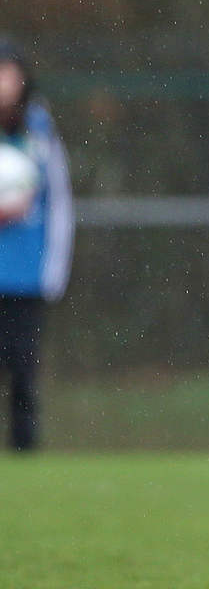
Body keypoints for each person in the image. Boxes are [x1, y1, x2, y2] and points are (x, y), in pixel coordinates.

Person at [0, 37, 74, 452]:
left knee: (23, 373)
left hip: (26, 276)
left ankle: (25, 452)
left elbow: (58, 200)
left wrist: (55, 270)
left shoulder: (40, 128)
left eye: (10, 73)